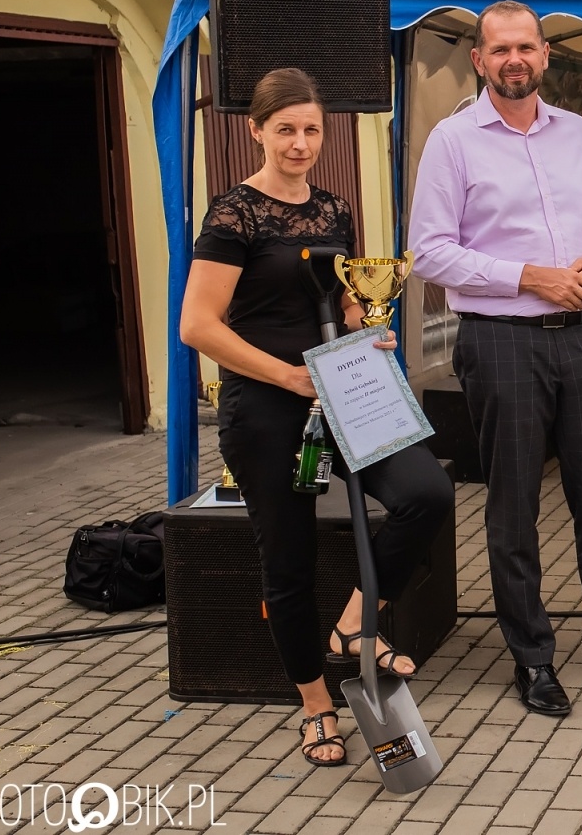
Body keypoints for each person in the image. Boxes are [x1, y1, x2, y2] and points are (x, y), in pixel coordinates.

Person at [408, 0, 582, 718]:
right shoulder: (452, 140)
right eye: (499, 49)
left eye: (526, 48)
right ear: (479, 59)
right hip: (500, 340)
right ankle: (532, 658)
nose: (514, 61)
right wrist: (529, 276)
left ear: (545, 55)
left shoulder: (574, 133)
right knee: (515, 505)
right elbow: (430, 254)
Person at [181, 68, 455, 768]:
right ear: (257, 130)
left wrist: (373, 327)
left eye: (311, 130)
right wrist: (287, 376)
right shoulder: (232, 215)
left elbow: (346, 304)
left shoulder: (334, 209)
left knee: (426, 493)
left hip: (342, 387)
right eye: (286, 130)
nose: (300, 143)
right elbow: (198, 326)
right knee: (290, 559)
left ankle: (353, 628)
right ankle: (316, 708)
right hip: (264, 402)